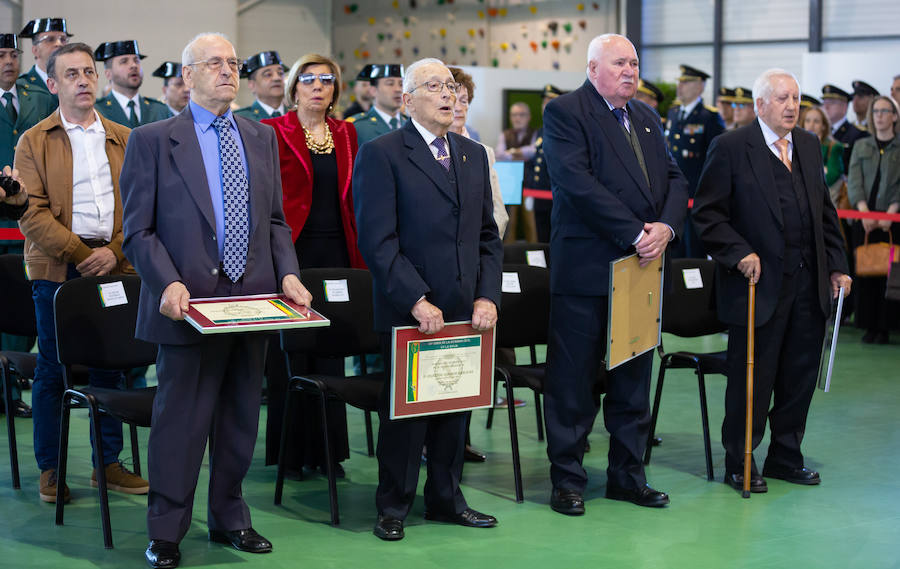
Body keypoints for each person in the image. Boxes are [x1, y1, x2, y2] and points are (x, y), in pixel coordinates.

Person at [119, 32, 311, 568]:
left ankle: (230, 516)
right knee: (181, 423)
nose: (228, 70)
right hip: (186, 307)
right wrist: (168, 282)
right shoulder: (154, 139)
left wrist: (289, 275)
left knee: (239, 419)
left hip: (250, 304)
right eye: (215, 63)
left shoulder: (260, 137)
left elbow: (274, 222)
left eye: (234, 63)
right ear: (188, 75)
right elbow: (139, 230)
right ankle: (166, 531)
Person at [352, 57, 502, 541]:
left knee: (455, 413)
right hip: (408, 309)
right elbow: (378, 241)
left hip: (463, 309)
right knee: (406, 416)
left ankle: (445, 498)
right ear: (408, 98)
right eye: (434, 86)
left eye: (451, 87)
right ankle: (393, 505)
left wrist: (486, 296)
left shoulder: (471, 154)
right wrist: (416, 298)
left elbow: (487, 238)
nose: (447, 94)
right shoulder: (383, 153)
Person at [542, 34, 688, 516]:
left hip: (640, 270)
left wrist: (665, 227)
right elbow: (575, 182)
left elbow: (675, 177)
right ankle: (567, 479)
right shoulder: (567, 113)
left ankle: (629, 475)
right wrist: (634, 232)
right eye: (619, 63)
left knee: (632, 382)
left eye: (634, 62)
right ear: (592, 68)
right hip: (587, 269)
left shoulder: (645, 116)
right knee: (574, 382)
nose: (630, 70)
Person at [693, 68, 851, 493]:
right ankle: (739, 460)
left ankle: (785, 456)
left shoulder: (808, 145)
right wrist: (739, 251)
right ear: (760, 105)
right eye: (782, 98)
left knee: (798, 376)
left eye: (796, 98)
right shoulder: (730, 147)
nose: (792, 106)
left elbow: (824, 213)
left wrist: (837, 264)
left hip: (808, 284)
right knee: (754, 379)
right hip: (756, 289)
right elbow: (707, 215)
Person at [15, 41, 149, 504]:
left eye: (89, 72)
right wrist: (78, 252)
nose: (83, 80)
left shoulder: (126, 137)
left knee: (111, 368)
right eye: (71, 74)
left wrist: (113, 252)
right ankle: (51, 469)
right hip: (58, 268)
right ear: (52, 84)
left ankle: (107, 465)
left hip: (116, 264)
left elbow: (140, 207)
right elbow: (31, 213)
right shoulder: (33, 140)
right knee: (54, 371)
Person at [260, 53, 366, 478]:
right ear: (294, 87)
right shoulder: (272, 131)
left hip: (338, 255)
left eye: (326, 80)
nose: (318, 87)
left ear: (336, 89)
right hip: (291, 255)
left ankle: (328, 451)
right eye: (309, 80)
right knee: (289, 355)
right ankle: (291, 452)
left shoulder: (347, 134)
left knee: (330, 352)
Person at [846, 95, 900, 344]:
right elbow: (854, 180)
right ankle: (868, 325)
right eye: (875, 111)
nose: (879, 115)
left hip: (892, 220)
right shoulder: (861, 145)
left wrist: (892, 211)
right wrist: (863, 211)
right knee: (866, 274)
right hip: (864, 219)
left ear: (895, 116)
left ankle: (887, 326)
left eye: (884, 111)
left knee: (890, 275)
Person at [665, 64, 725, 258]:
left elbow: (716, 159)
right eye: (680, 82)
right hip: (675, 195)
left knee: (694, 252)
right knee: (676, 251)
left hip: (696, 196)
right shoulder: (674, 113)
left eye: (686, 82)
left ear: (700, 87)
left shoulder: (709, 117)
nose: (680, 86)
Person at [93, 41, 171, 127]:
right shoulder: (97, 111)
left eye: (136, 60)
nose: (133, 65)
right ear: (108, 74)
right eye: (124, 61)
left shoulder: (160, 110)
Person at [525, 83, 563, 244]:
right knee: (542, 238)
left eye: (550, 101)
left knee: (554, 239)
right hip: (540, 196)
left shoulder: (564, 130)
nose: (545, 106)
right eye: (544, 102)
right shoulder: (542, 130)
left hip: (555, 197)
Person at [497, 101, 538, 243]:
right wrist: (521, 154)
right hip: (510, 185)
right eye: (514, 115)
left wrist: (513, 152)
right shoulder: (505, 134)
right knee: (509, 222)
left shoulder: (536, 134)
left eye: (521, 115)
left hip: (529, 185)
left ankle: (535, 258)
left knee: (530, 222)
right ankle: (508, 257)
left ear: (529, 117)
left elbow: (533, 152)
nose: (517, 118)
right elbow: (499, 155)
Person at [17, 17, 71, 109]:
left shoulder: (74, 82)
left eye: (63, 39)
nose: (59, 44)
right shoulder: (20, 86)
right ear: (35, 50)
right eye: (50, 39)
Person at [347, 63, 406, 146]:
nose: (398, 89)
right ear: (373, 91)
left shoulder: (411, 124)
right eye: (390, 84)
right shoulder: (356, 127)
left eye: (401, 84)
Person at [802, 105, 845, 204]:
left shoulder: (834, 147)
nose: (811, 125)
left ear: (823, 126)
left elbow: (830, 178)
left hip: (826, 201)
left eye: (816, 121)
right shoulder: (794, 146)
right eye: (807, 121)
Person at [822, 83, 869, 169]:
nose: (826, 107)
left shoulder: (858, 134)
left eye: (831, 103)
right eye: (824, 102)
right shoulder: (819, 131)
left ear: (844, 107)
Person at [234, 51, 288, 120]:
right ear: (252, 85)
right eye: (268, 74)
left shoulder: (297, 115)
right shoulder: (240, 119)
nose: (277, 78)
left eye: (280, 73)